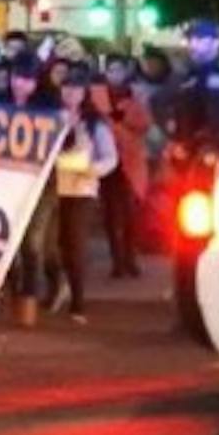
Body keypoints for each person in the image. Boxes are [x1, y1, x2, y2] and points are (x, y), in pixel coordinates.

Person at [49, 64, 118, 325]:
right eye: (67, 88)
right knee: (52, 244)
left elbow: (110, 157)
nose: (71, 93)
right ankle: (58, 286)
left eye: (76, 89)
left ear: (84, 92)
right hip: (53, 189)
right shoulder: (51, 118)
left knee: (75, 245)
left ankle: (78, 302)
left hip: (81, 189)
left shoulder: (94, 124)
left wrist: (92, 170)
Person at [8, 52, 56, 327]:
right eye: (17, 77)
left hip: (41, 185)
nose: (20, 84)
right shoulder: (0, 104)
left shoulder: (48, 108)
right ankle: (15, 294)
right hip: (9, 183)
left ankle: (30, 299)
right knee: (9, 241)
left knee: (32, 242)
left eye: (27, 79)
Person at [92, 53, 151, 278]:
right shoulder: (96, 95)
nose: (115, 74)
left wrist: (122, 119)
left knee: (129, 214)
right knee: (110, 213)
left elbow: (144, 123)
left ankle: (129, 258)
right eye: (111, 70)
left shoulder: (135, 95)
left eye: (119, 70)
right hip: (106, 160)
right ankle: (117, 260)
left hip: (130, 161)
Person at [164, 19, 219, 158]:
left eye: (202, 40)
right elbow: (177, 111)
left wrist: (218, 144)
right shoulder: (185, 78)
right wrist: (176, 139)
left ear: (215, 44)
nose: (195, 46)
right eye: (193, 41)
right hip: (190, 150)